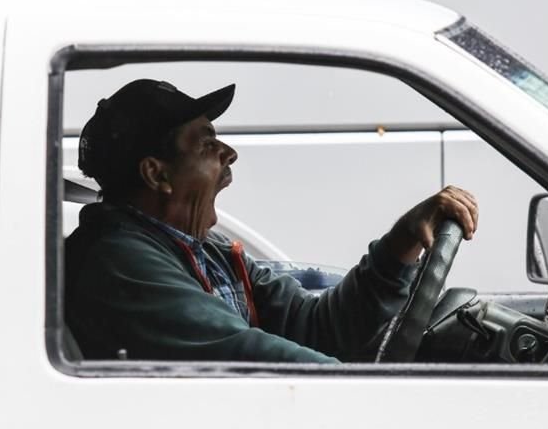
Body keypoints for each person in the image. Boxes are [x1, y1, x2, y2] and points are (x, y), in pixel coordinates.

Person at [64, 79, 478, 363]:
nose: (229, 153)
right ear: (157, 174)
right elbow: (252, 357)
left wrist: (402, 242)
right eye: (207, 144)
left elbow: (318, 327)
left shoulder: (206, 251)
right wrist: (384, 395)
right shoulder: (121, 264)